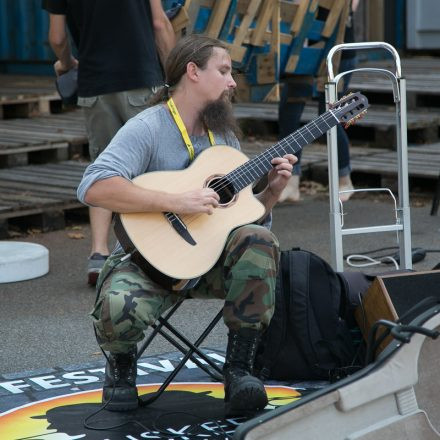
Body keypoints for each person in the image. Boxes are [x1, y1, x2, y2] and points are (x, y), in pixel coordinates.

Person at [77, 34, 297, 415]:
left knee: (259, 239)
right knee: (116, 306)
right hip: (148, 264)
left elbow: (239, 215)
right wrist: (177, 201)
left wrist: (271, 194)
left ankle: (239, 369)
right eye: (224, 71)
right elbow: (93, 187)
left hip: (209, 262)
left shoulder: (224, 133)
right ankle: (122, 369)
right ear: (192, 72)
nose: (232, 82)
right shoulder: (148, 126)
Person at [43, 0, 176, 286]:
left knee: (104, 169)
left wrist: (66, 63)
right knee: (148, 169)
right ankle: (151, 252)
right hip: (140, 79)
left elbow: (56, 38)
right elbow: (159, 23)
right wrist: (174, 78)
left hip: (95, 86)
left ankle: (99, 254)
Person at [278, 0, 360, 203]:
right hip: (302, 49)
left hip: (338, 52)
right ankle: (291, 182)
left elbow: (349, 8)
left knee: (328, 115)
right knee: (289, 112)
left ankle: (344, 179)